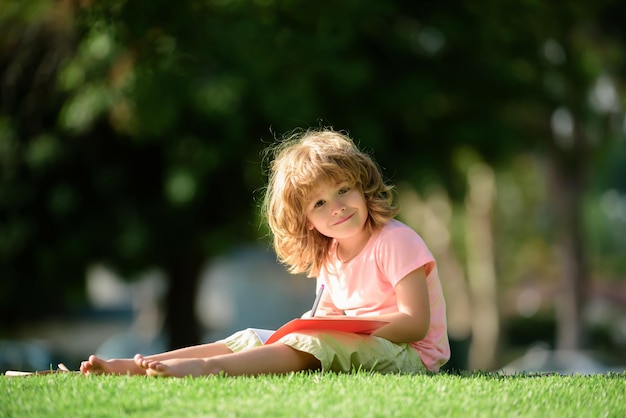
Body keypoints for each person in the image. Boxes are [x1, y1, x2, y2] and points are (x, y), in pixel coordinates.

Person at [80, 128, 450, 377]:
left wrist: (345, 331)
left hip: (410, 354)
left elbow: (416, 323)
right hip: (363, 343)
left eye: (343, 190)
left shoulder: (395, 241)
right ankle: (133, 364)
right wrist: (323, 327)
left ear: (363, 186)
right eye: (319, 203)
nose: (337, 206)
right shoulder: (331, 256)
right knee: (253, 336)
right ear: (307, 221)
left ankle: (206, 368)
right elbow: (328, 314)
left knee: (312, 340)